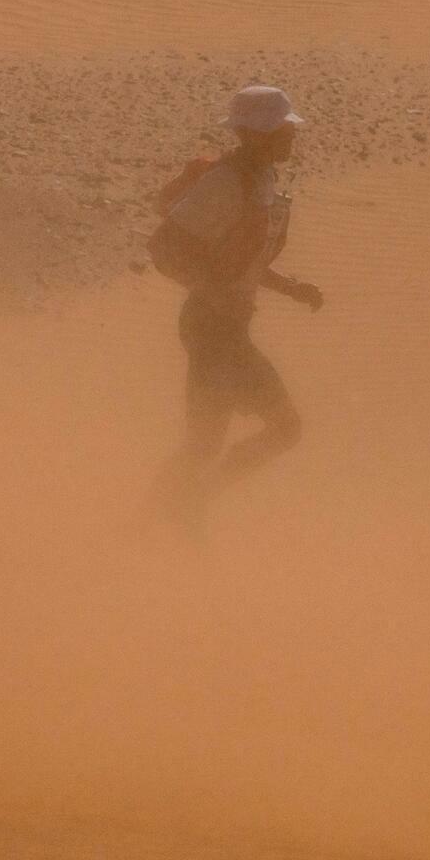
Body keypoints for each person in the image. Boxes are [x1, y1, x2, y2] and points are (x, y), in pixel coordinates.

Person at [155, 84, 324, 531]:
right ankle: (183, 507)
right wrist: (212, 286)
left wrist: (289, 287)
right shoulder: (226, 182)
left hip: (225, 329)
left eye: (289, 127)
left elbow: (239, 258)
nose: (291, 135)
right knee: (281, 429)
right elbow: (165, 245)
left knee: (203, 446)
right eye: (282, 128)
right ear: (255, 134)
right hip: (214, 332)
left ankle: (166, 516)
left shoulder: (261, 177)